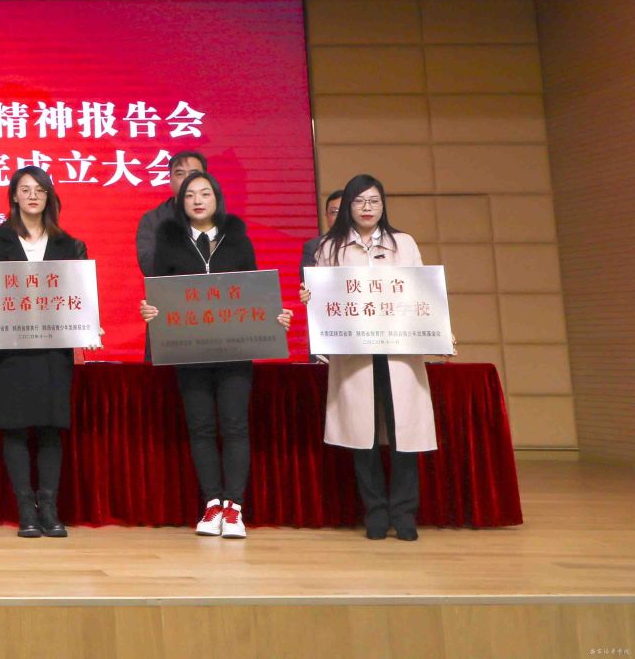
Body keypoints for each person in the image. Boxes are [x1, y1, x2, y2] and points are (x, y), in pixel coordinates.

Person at [140, 170, 293, 540]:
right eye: (190, 194)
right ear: (180, 202)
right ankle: (212, 504)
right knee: (202, 428)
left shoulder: (237, 238)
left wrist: (275, 316)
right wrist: (151, 311)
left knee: (235, 426)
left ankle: (234, 507)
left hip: (235, 350)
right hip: (189, 351)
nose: (197, 200)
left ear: (217, 198)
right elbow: (159, 291)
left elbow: (255, 290)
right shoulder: (168, 241)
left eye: (205, 193)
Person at [303, 174, 452, 541]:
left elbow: (422, 294)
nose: (367, 208)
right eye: (359, 201)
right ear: (347, 207)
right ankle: (375, 512)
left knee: (405, 435)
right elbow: (325, 301)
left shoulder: (403, 243)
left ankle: (404, 513)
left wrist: (440, 333)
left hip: (399, 353)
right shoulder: (331, 247)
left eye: (374, 201)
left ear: (383, 205)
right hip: (356, 355)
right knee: (363, 435)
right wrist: (311, 299)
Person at [0, 166, 96, 539]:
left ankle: (49, 508)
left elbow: (79, 294)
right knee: (14, 427)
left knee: (50, 428)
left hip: (52, 350)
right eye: (25, 189)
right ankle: (26, 508)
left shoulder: (67, 243)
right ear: (14, 196)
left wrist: (89, 325)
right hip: (10, 350)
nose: (32, 196)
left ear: (49, 196)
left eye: (40, 190)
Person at [135, 150, 207, 276]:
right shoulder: (153, 220)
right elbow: (150, 267)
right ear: (170, 180)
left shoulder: (220, 219)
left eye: (194, 174)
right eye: (180, 174)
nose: (187, 179)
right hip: (170, 287)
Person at [301, 190, 346, 269]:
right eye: (334, 212)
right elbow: (307, 276)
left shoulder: (366, 243)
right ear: (327, 216)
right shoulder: (313, 246)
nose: (340, 217)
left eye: (344, 211)